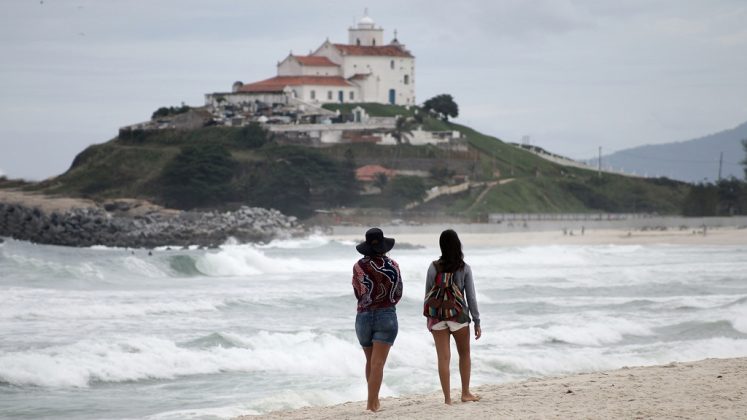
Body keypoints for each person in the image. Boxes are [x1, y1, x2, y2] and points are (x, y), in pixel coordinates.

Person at [425, 229, 481, 405]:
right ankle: (465, 393)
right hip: (458, 317)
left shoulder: (433, 266)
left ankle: (447, 399)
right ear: (458, 244)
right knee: (464, 354)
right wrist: (477, 321)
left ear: (441, 246)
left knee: (443, 358)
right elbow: (470, 297)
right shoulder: (464, 268)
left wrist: (430, 317)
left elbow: (428, 294)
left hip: (437, 319)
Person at [352, 227, 403, 412]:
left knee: (370, 361)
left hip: (363, 316)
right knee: (378, 363)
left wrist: (368, 302)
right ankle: (371, 404)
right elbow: (398, 292)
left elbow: (358, 291)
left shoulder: (358, 266)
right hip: (386, 315)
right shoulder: (393, 265)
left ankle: (373, 400)